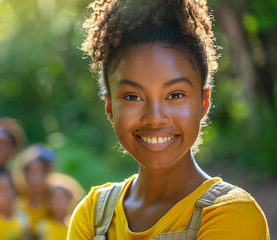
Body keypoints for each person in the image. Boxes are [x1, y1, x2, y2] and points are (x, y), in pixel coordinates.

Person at [67, 0, 270, 239]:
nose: (154, 118)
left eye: (175, 95)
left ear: (203, 103)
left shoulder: (233, 216)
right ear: (110, 107)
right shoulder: (93, 215)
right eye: (133, 96)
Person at [16, 144, 56, 238]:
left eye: (40, 172)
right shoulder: (17, 193)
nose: (35, 177)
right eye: (31, 172)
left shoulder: (56, 194)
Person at [36, 173, 84, 240]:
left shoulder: (76, 225)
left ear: (70, 200)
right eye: (55, 198)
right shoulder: (43, 227)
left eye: (62, 197)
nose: (59, 201)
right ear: (48, 202)